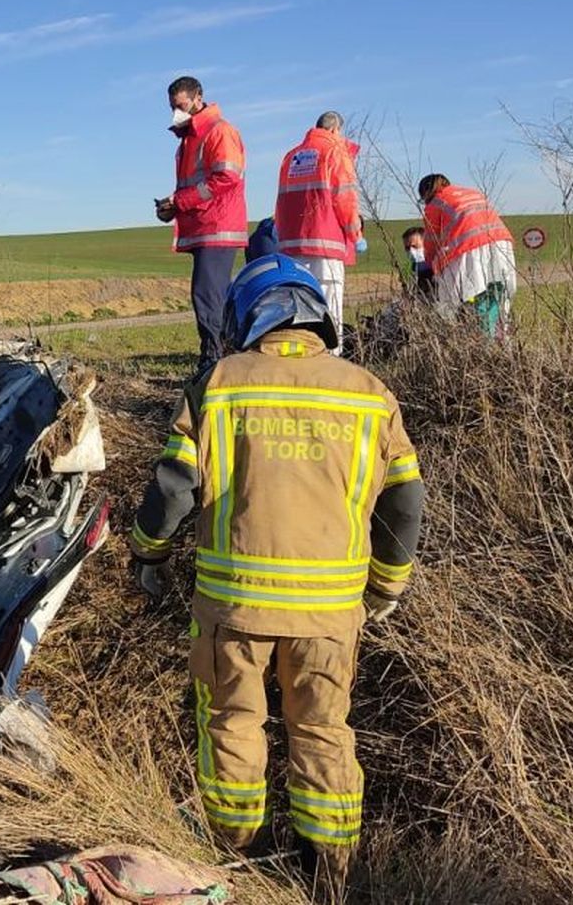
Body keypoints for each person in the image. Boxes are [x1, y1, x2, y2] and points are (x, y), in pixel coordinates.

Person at [127, 255, 425, 896]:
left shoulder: (219, 383)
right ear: (319, 315)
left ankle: (236, 860)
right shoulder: (371, 394)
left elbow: (173, 489)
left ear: (247, 315)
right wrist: (387, 584)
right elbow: (405, 502)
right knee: (322, 728)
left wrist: (146, 552)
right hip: (331, 613)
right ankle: (328, 875)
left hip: (233, 609)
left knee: (233, 720)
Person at [155, 75, 247, 376]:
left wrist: (180, 202)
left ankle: (214, 360)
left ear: (198, 98)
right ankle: (219, 356)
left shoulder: (219, 131)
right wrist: (172, 207)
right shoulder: (187, 140)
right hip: (202, 227)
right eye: (172, 107)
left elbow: (228, 176)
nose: (176, 113)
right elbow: (192, 186)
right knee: (208, 295)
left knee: (208, 296)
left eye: (181, 106)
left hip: (218, 227)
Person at [274, 112, 362, 354]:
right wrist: (356, 235)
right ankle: (332, 358)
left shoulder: (291, 156)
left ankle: (302, 355)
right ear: (335, 130)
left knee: (300, 305)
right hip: (326, 244)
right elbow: (345, 198)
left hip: (292, 245)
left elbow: (281, 201)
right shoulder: (335, 152)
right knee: (330, 305)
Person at [418, 174, 516, 337]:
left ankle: (483, 344)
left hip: (470, 250)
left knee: (475, 295)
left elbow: (431, 241)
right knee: (496, 293)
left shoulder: (435, 204)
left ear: (425, 194)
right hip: (501, 245)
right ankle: (499, 340)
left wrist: (428, 266)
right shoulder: (472, 192)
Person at [401, 226, 436, 299]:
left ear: (426, 243)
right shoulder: (413, 267)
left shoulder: (436, 266)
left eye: (414, 246)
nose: (411, 251)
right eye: (407, 248)